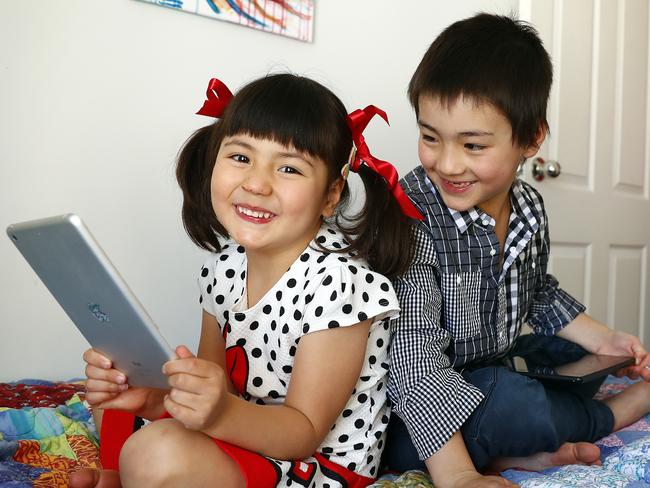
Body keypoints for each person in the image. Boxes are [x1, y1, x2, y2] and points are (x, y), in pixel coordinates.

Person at [70, 73, 422, 488]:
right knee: (117, 388)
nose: (256, 183)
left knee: (158, 451)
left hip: (316, 465)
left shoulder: (340, 286)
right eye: (240, 158)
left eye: (289, 168)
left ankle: (132, 472)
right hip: (245, 435)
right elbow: (219, 387)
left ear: (331, 195)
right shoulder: (224, 268)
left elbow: (302, 431)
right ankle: (124, 470)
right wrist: (153, 398)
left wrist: (215, 414)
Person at [381, 13, 650, 488]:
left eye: (472, 145)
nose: (446, 163)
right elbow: (412, 355)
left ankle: (519, 456)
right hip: (410, 409)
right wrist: (459, 476)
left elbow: (537, 292)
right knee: (511, 400)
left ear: (530, 139)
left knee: (559, 354)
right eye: (429, 137)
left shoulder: (529, 207)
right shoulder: (411, 214)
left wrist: (606, 341)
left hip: (492, 360)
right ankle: (607, 416)